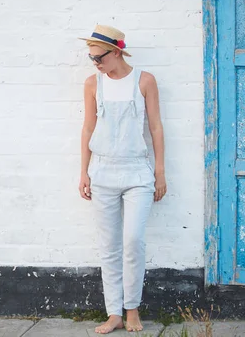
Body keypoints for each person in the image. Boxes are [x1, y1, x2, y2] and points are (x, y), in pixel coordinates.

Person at [78, 25, 167, 334]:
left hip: (137, 173)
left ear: (116, 52)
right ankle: (113, 312)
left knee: (133, 241)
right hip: (102, 172)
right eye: (91, 58)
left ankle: (132, 309)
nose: (95, 64)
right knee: (109, 246)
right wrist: (84, 172)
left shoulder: (144, 81)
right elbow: (87, 128)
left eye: (99, 58)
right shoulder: (93, 84)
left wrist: (159, 172)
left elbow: (155, 127)